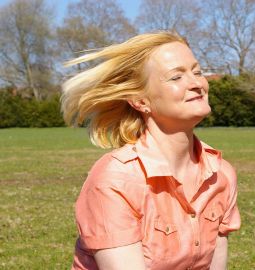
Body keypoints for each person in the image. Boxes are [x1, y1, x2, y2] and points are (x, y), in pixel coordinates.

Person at [61, 31, 240, 270]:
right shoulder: (116, 179)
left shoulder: (221, 174)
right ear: (140, 100)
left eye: (197, 72)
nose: (197, 83)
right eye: (176, 77)